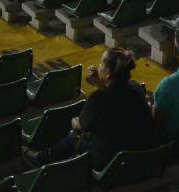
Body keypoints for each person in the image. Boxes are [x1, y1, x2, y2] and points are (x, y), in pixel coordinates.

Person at [22, 48, 158, 169]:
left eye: (101, 64)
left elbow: (80, 126)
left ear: (108, 73)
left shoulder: (98, 99)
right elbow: (116, 101)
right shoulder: (136, 88)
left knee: (76, 135)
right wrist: (100, 83)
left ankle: (41, 159)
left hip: (112, 163)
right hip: (138, 155)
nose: (98, 67)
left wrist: (74, 120)